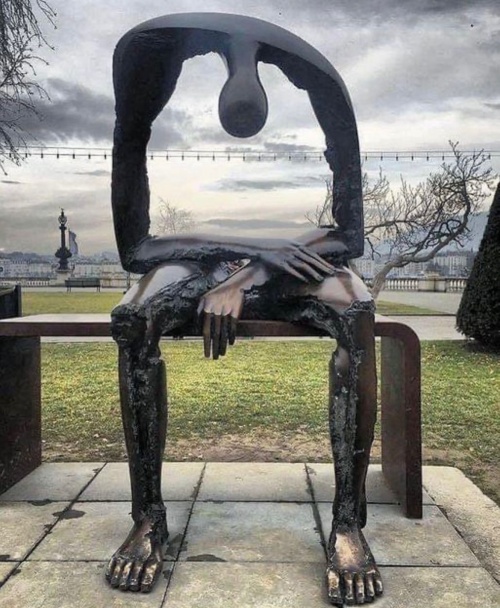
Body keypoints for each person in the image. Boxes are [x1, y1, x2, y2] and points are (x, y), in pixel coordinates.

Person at [106, 14, 382, 606]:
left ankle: (348, 524)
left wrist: (254, 272)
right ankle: (148, 517)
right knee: (133, 320)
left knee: (358, 313)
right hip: (199, 259)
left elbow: (348, 236)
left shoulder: (321, 82)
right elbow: (137, 250)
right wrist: (254, 251)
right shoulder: (145, 56)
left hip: (295, 258)